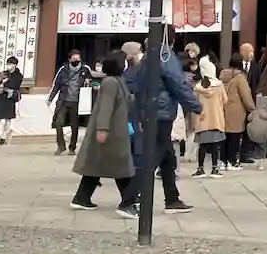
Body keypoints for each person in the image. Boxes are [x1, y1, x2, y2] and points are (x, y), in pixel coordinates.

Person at [123, 36, 201, 217]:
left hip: (149, 111)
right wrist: (196, 106)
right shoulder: (166, 57)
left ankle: (172, 199)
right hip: (161, 112)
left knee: (167, 158)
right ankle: (129, 200)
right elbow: (178, 84)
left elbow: (134, 83)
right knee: (152, 158)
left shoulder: (146, 58)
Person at [70, 52, 135, 214]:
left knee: (96, 166)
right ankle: (128, 202)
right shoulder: (111, 82)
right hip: (112, 131)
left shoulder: (117, 80)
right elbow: (106, 107)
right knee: (120, 166)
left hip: (115, 130)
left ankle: (82, 198)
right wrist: (102, 129)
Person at [47, 50, 95, 156]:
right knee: (58, 123)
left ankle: (72, 147)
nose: (76, 61)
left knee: (75, 126)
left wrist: (89, 82)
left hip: (78, 102)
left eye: (78, 59)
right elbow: (56, 85)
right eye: (74, 59)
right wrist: (50, 98)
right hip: (63, 101)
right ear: (69, 60)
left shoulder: (85, 69)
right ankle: (61, 146)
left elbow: (93, 81)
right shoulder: (63, 70)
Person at [191, 58, 228, 178]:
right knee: (215, 146)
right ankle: (214, 169)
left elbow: (193, 103)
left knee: (202, 146)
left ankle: (200, 169)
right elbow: (225, 100)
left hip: (202, 120)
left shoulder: (197, 88)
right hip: (216, 119)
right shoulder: (219, 85)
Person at [221, 57, 256, 170]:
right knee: (235, 137)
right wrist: (252, 108)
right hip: (236, 111)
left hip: (223, 109)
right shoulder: (240, 78)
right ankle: (232, 162)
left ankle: (223, 161)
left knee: (225, 137)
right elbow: (246, 96)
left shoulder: (222, 76)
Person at [0, 57, 23, 146]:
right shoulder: (4, 73)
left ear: (15, 65)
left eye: (10, 64)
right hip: (0, 97)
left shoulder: (18, 75)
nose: (9, 66)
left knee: (8, 118)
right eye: (8, 64)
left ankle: (3, 136)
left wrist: (6, 82)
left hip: (9, 98)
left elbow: (15, 84)